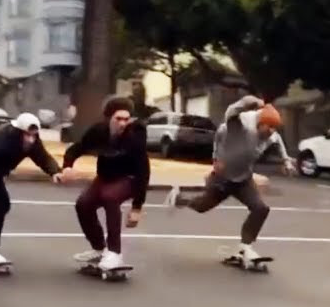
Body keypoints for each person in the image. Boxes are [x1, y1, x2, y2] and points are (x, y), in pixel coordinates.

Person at [163, 95, 296, 264]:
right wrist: (249, 102)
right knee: (202, 206)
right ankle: (179, 199)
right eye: (268, 127)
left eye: (274, 128)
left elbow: (278, 141)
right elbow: (230, 113)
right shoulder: (240, 129)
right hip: (222, 178)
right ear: (259, 123)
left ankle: (245, 248)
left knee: (261, 209)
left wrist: (285, 160)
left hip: (243, 180)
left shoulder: (271, 135)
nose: (271, 131)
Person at [0, 112, 69, 268]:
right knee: (0, 204)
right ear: (17, 132)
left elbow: (41, 156)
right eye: (26, 135)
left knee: (0, 206)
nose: (30, 139)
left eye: (33, 135)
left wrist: (55, 171)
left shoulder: (32, 139)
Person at [63, 97, 151, 271]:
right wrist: (67, 167)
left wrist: (137, 207)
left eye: (126, 119)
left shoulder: (135, 135)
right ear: (108, 118)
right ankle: (98, 248)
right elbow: (76, 149)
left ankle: (114, 252)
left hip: (129, 179)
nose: (123, 124)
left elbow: (143, 170)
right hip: (105, 178)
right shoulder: (98, 132)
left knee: (110, 197)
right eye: (118, 119)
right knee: (83, 204)